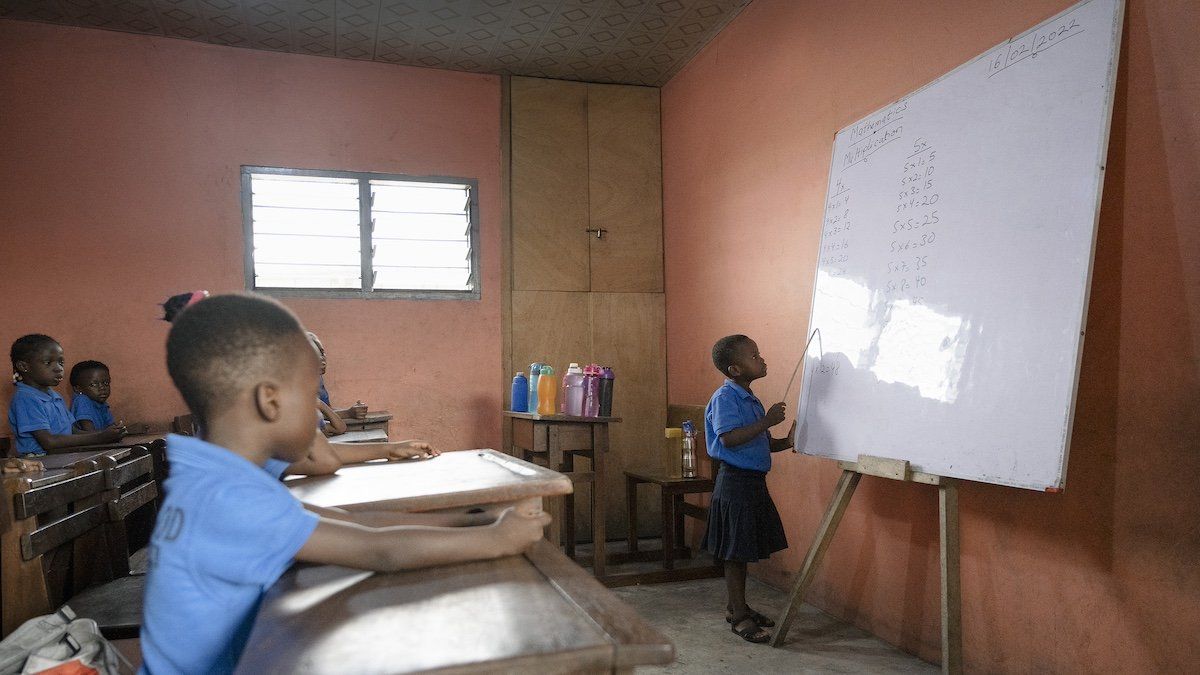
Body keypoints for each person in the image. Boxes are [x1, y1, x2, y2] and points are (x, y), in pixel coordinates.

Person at [141, 293, 550, 673]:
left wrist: (470, 518)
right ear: (270, 401)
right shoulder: (229, 498)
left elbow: (350, 523)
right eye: (310, 393)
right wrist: (497, 541)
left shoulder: (215, 480)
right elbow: (380, 551)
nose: (320, 415)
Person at [702, 334, 794, 643]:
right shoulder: (725, 398)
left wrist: (788, 441)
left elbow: (761, 444)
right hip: (735, 483)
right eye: (754, 356)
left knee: (741, 549)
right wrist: (767, 421)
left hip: (752, 483)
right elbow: (728, 439)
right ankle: (739, 617)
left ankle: (736, 607)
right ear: (735, 370)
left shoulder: (750, 398)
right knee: (735, 553)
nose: (762, 359)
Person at [8, 335, 125, 456]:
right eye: (48, 362)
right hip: (40, 462)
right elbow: (48, 442)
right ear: (24, 366)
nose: (58, 368)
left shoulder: (54, 396)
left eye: (61, 362)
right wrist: (99, 437)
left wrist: (107, 435)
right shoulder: (26, 398)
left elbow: (72, 431)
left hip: (62, 456)